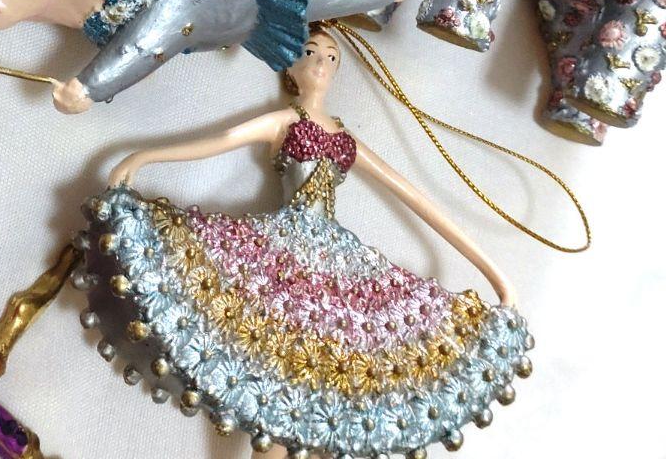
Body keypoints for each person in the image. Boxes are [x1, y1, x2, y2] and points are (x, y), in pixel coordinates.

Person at [82, 24, 532, 457]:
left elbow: (415, 198)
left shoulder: (346, 137)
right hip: (280, 256)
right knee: (274, 383)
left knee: (337, 386)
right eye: (311, 53)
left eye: (331, 58)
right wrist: (145, 157)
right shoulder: (284, 120)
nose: (321, 64)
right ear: (290, 66)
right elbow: (222, 140)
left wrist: (495, 274)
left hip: (341, 269)